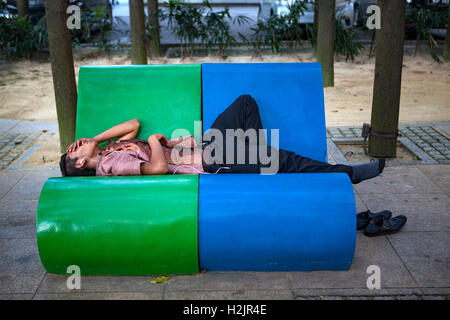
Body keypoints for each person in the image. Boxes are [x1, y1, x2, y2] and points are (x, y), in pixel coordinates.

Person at [60, 94, 385, 183]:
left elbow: (132, 124)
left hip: (203, 149)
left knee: (245, 104)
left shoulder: (110, 149)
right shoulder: (110, 165)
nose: (79, 141)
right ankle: (349, 174)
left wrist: (95, 138)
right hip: (210, 160)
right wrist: (160, 143)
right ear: (79, 162)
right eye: (75, 147)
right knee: (283, 159)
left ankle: (257, 164)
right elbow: (157, 170)